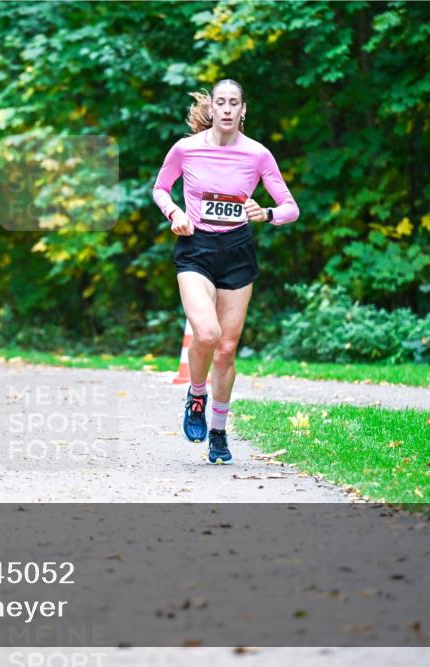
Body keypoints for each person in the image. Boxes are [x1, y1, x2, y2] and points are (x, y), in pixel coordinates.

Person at [152, 79, 298, 463]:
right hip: (195, 249)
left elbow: (290, 207)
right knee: (208, 333)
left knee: (227, 349)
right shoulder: (186, 149)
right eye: (222, 102)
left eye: (235, 103)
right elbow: (160, 188)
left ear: (243, 110)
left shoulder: (258, 155)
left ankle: (218, 432)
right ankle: (196, 394)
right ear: (213, 109)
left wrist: (265, 213)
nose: (228, 109)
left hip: (237, 251)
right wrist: (175, 213)